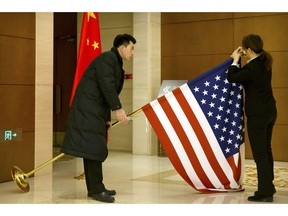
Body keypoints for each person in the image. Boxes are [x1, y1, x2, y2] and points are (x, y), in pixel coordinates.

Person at [60, 34, 137, 203]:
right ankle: (97, 189)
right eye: (131, 48)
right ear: (122, 47)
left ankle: (93, 188)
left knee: (91, 150)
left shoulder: (116, 63)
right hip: (87, 110)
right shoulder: (107, 59)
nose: (133, 52)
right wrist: (118, 108)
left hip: (93, 111)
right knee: (95, 149)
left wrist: (106, 119)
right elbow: (106, 85)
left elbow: (104, 94)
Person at [227, 34, 277, 202]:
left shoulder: (252, 68)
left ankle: (265, 192)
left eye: (245, 50)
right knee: (266, 150)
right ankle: (268, 185)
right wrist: (241, 58)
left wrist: (234, 60)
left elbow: (232, 77)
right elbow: (245, 75)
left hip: (258, 116)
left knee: (260, 153)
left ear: (248, 49)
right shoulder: (264, 63)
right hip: (270, 112)